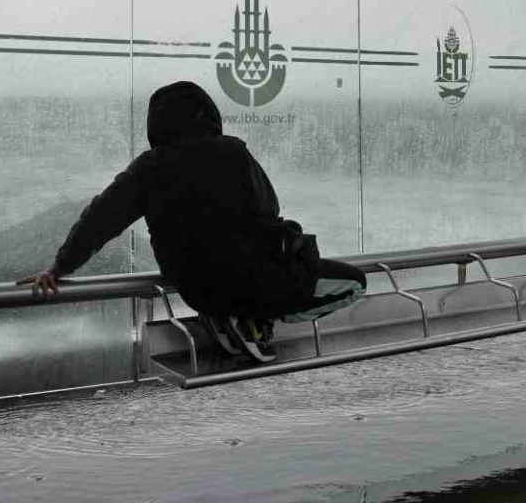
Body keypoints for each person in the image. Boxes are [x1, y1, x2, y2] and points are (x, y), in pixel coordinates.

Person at [19, 81, 364, 363]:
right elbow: (269, 209)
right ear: (208, 114)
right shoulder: (233, 152)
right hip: (255, 281)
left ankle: (229, 317)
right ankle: (255, 320)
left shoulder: (146, 169)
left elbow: (99, 220)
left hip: (196, 290)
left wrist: (59, 267)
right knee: (355, 284)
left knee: (230, 276)